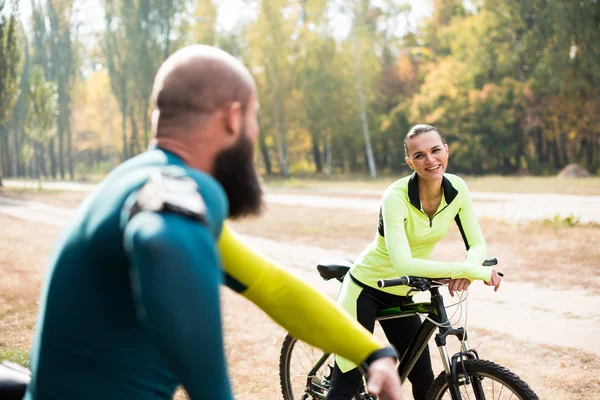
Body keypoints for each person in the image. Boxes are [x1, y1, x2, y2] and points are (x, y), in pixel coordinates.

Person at [23, 45, 405, 400]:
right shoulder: (179, 191)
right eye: (254, 119)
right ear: (233, 116)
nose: (254, 134)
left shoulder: (142, 182)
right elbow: (162, 244)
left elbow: (273, 287)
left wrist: (373, 351)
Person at [326, 124, 502, 400]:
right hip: (366, 288)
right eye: (419, 155)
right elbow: (403, 264)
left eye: (435, 150)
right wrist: (468, 269)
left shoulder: (457, 188)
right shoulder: (395, 197)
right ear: (409, 162)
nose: (430, 160)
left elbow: (476, 244)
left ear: (446, 150)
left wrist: (469, 269)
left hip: (400, 291)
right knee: (346, 383)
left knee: (424, 380)